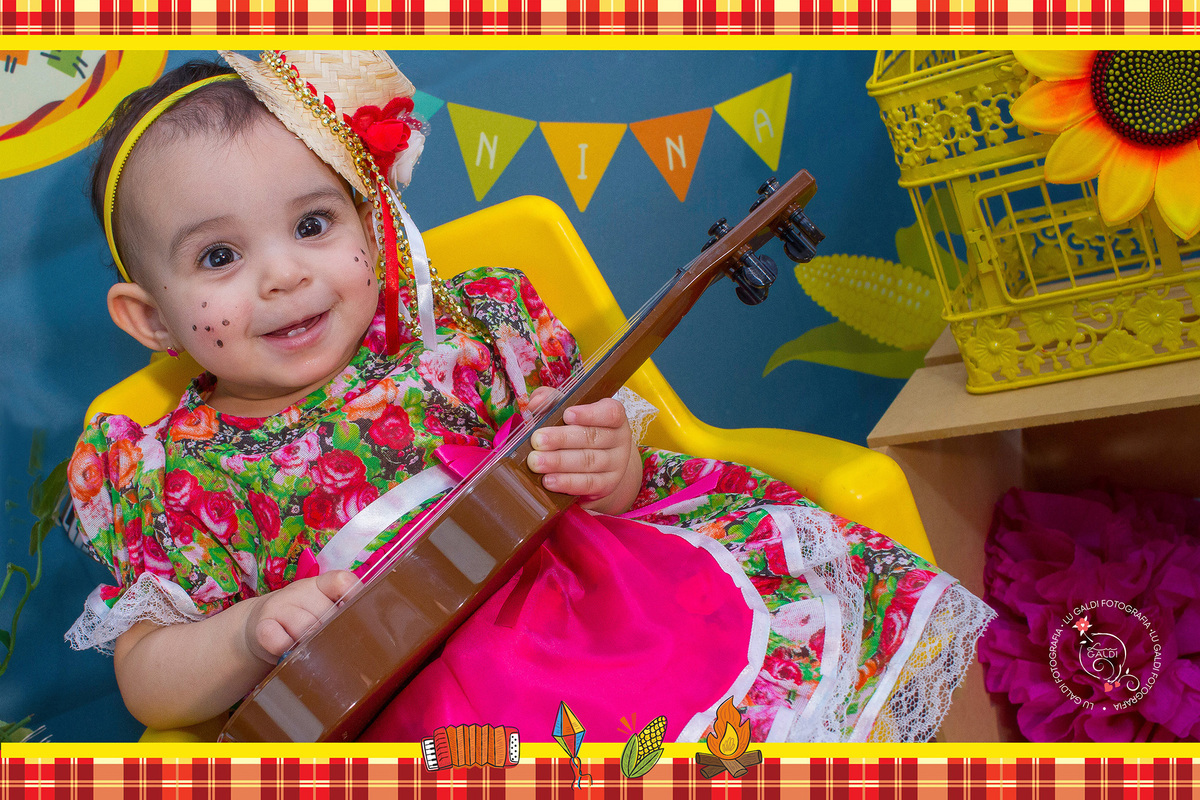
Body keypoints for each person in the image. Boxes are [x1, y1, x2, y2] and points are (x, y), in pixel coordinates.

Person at [66, 50, 994, 744]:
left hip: (606, 602)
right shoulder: (173, 470)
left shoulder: (460, 343)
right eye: (220, 257)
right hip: (430, 706)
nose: (282, 277)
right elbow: (147, 681)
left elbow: (605, 472)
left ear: (374, 221)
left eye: (313, 224)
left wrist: (611, 466)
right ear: (148, 317)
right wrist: (245, 636)